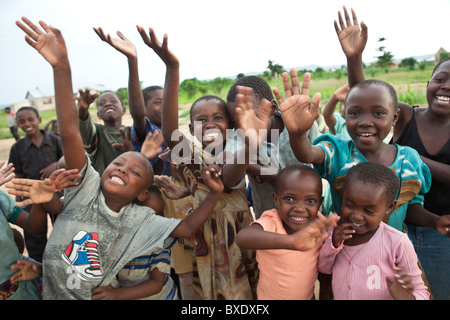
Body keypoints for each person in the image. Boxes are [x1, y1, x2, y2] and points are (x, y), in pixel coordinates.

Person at [15, 17, 226, 300]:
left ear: (141, 195)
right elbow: (69, 132)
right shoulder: (84, 189)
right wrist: (62, 67)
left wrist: (213, 194)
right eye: (117, 163)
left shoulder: (139, 220)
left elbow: (187, 227)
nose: (122, 169)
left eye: (135, 172)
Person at [137, 26, 267, 299]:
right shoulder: (190, 155)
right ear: (190, 126)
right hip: (205, 242)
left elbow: (229, 180)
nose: (210, 123)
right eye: (201, 119)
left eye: (218, 118)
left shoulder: (235, 152)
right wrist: (173, 67)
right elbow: (170, 127)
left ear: (231, 125)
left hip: (239, 239)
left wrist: (250, 142)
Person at [334, 6, 450, 299]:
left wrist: (407, 155)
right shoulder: (408, 115)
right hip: (396, 224)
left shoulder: (406, 154)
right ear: (428, 83)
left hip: (439, 227)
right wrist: (354, 58)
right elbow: (370, 101)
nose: (445, 87)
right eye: (440, 79)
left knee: (429, 289)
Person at [318, 162, 429, 300]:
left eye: (369, 210)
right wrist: (333, 244)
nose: (356, 215)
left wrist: (407, 297)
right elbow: (324, 269)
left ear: (389, 207)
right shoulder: (335, 233)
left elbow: (421, 291)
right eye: (349, 204)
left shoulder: (397, 242)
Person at [236, 165, 339, 300]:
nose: (300, 208)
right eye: (289, 199)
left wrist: (335, 240)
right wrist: (292, 242)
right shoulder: (272, 221)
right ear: (276, 200)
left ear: (319, 203)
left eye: (310, 201)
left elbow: (326, 260)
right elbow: (242, 238)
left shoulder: (319, 223)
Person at [8, 106, 63, 262]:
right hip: (31, 198)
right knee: (34, 238)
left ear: (39, 120)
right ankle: (38, 270)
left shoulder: (54, 140)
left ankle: (60, 265)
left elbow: (66, 161)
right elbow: (18, 174)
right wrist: (18, 200)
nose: (27, 124)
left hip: (56, 194)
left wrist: (55, 165)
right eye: (22, 122)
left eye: (30, 119)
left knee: (62, 229)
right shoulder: (17, 148)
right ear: (18, 125)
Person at [130, 84, 171, 176]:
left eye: (167, 102)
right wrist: (133, 69)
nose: (164, 106)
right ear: (143, 107)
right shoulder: (146, 130)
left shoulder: (169, 130)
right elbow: (138, 115)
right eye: (158, 102)